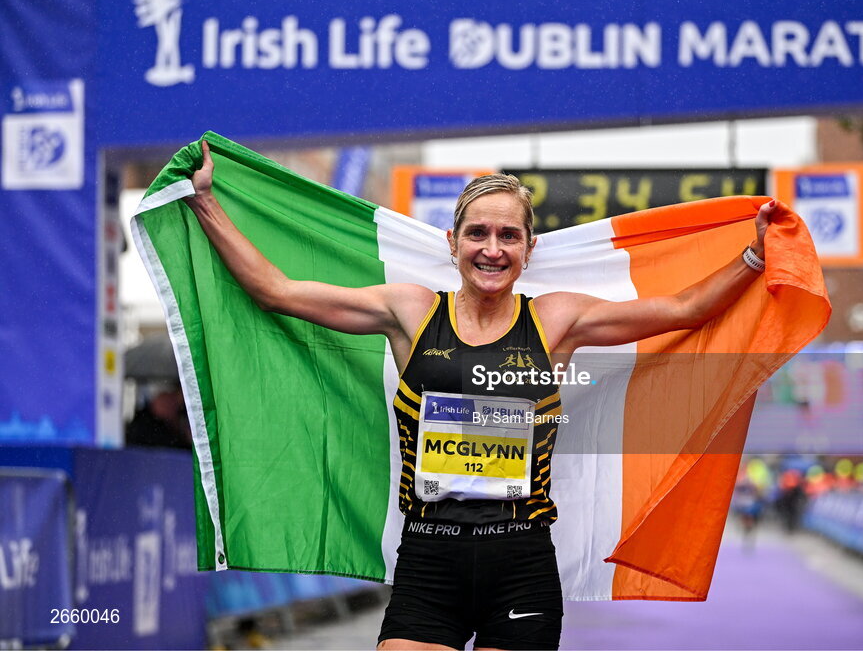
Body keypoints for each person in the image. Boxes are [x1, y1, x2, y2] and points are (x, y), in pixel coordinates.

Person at [186, 140, 776, 650]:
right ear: (453, 242)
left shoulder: (557, 319)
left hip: (520, 564)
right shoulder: (410, 310)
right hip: (428, 561)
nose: (492, 248)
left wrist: (754, 256)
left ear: (529, 248)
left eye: (508, 235)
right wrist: (205, 201)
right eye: (478, 233)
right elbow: (276, 291)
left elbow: (684, 310)